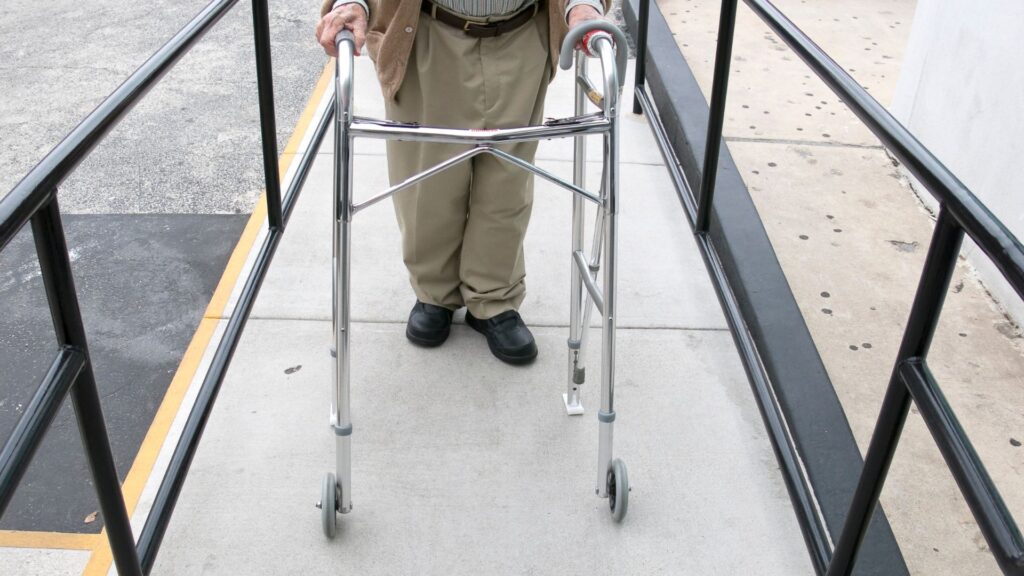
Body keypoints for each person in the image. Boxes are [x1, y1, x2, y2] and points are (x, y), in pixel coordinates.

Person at [316, 0, 607, 364]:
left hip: (522, 34)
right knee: (427, 183)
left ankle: (493, 298)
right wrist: (352, 3)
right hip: (427, 31)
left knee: (508, 183)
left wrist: (583, 5)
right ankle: (434, 293)